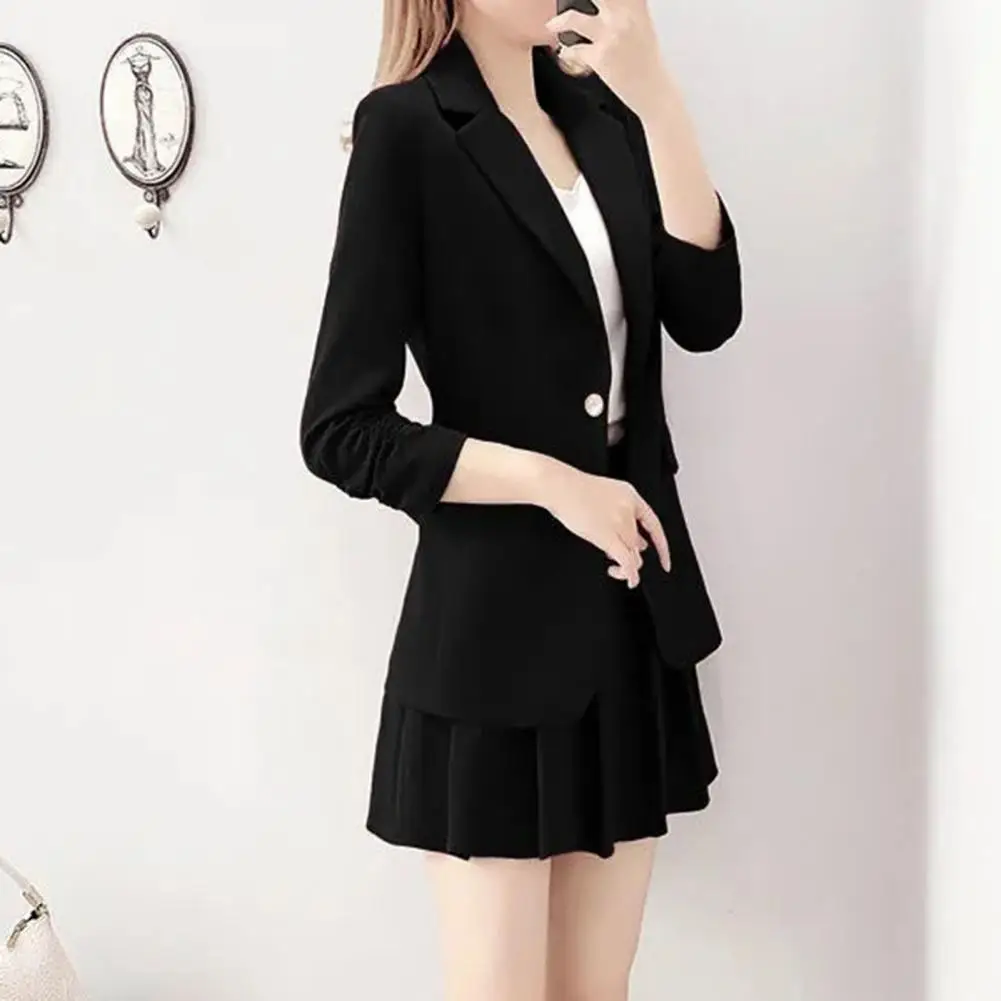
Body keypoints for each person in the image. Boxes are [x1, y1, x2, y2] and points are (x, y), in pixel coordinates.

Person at [298, 1, 743, 997]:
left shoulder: (608, 118)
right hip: (490, 643)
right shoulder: (406, 128)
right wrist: (549, 485)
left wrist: (657, 95)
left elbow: (707, 312)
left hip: (629, 617)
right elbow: (341, 428)